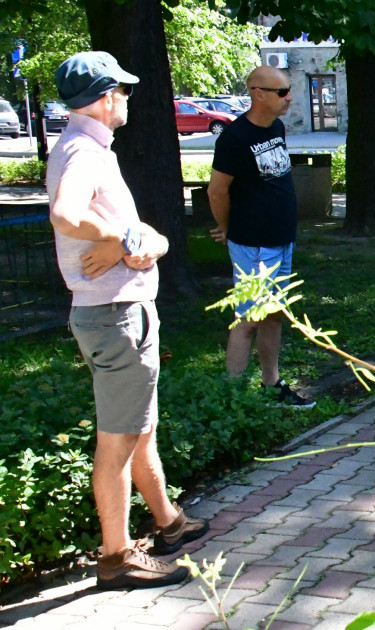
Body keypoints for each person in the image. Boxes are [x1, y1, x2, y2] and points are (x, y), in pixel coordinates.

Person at [47, 51, 208, 589]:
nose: (126, 100)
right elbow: (66, 215)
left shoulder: (87, 148)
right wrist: (116, 240)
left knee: (139, 429)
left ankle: (169, 523)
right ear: (105, 96)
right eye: (124, 90)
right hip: (115, 316)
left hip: (120, 312)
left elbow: (144, 235)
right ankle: (116, 559)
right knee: (118, 439)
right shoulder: (82, 153)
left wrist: (136, 242)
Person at [207, 66, 315, 408]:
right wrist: (227, 227)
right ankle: (234, 401)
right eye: (282, 92)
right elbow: (217, 191)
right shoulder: (234, 138)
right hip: (253, 244)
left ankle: (272, 385)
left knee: (274, 313)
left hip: (281, 240)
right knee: (249, 319)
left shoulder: (277, 127)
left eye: (288, 90)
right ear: (258, 93)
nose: (289, 98)